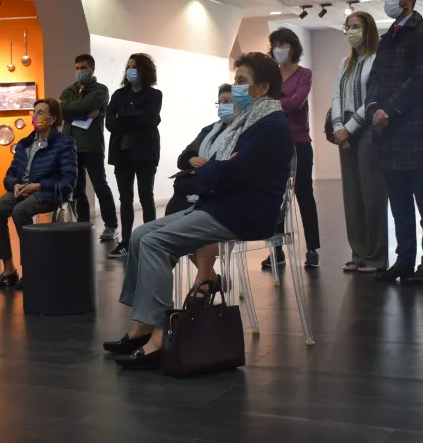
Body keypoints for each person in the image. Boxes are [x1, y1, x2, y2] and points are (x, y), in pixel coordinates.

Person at [104, 53, 293, 370]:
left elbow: (231, 171)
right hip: (220, 204)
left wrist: (206, 174)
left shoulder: (270, 125)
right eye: (236, 80)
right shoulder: (247, 122)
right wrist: (211, 171)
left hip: (242, 213)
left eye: (243, 81)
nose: (236, 88)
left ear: (264, 87)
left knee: (154, 242)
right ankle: (142, 325)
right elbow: (219, 167)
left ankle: (159, 336)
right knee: (141, 234)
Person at [367, 0, 423, 286]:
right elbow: (373, 80)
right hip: (388, 133)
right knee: (398, 204)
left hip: (417, 129)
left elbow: (422, 76)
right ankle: (404, 260)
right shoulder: (386, 40)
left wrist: (392, 110)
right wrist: (374, 109)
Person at [0, 98, 78, 289]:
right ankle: (9, 269)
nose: (35, 117)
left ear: (52, 118)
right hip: (22, 190)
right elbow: (9, 175)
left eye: (41, 113)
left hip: (46, 192)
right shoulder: (24, 144)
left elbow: (68, 182)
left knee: (20, 211)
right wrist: (15, 185)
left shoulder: (64, 143)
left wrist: (38, 186)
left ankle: (33, 269)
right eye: (34, 112)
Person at [331, 11, 387, 273]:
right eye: (348, 26)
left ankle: (376, 257)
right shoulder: (345, 63)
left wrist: (350, 128)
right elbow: (336, 98)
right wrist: (338, 127)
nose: (352, 31)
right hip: (344, 133)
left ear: (368, 30)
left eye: (356, 26)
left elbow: (373, 98)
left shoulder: (378, 59)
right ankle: (358, 253)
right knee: (351, 196)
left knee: (372, 196)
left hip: (367, 133)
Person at [266, 27, 319, 270]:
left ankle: (312, 249)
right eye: (276, 44)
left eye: (284, 44)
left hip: (298, 141)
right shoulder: (270, 76)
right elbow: (262, 102)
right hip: (274, 142)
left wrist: (273, 105)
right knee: (276, 197)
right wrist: (278, 105)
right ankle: (276, 251)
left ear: (294, 47)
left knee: (303, 194)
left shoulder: (304, 73)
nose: (279, 49)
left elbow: (298, 101)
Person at [106, 53, 162, 258]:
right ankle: (126, 241)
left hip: (146, 153)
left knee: (146, 196)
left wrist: (124, 116)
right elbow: (110, 123)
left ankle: (150, 240)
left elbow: (150, 119)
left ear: (144, 70)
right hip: (122, 153)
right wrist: (133, 118)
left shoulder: (155, 95)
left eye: (135, 67)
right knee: (125, 198)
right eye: (128, 66)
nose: (130, 70)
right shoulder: (119, 95)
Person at [59, 54, 119, 240]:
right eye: (77, 68)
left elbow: (89, 104)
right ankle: (82, 224)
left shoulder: (101, 90)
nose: (80, 72)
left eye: (83, 68)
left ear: (92, 69)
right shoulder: (69, 90)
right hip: (70, 144)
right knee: (77, 189)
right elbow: (61, 111)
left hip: (91, 145)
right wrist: (82, 112)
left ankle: (111, 225)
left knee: (100, 185)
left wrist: (72, 109)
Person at [164, 84, 234, 216]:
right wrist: (191, 159)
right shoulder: (209, 130)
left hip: (216, 189)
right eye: (220, 102)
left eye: (227, 101)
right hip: (192, 185)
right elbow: (184, 156)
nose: (223, 106)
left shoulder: (242, 130)